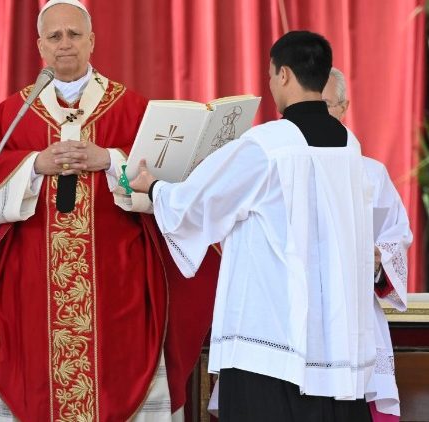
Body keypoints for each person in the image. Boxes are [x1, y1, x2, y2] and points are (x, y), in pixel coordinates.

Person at [0, 0, 220, 420]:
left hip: (116, 279)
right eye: (54, 36)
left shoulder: (130, 107)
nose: (64, 44)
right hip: (30, 283)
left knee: (120, 372)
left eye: (74, 34)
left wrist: (110, 159)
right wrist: (34, 164)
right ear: (40, 46)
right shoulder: (13, 112)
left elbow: (169, 179)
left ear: (92, 41)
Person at [131, 31, 378, 421]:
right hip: (333, 337)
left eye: (271, 74)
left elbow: (199, 204)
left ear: (283, 74)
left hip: (271, 336)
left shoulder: (268, 144)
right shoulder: (349, 144)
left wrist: (154, 187)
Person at [324, 67, 412, 421]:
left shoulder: (371, 174)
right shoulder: (277, 168)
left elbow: (396, 238)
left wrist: (379, 261)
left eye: (325, 105)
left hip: (355, 320)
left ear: (344, 107)